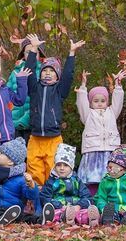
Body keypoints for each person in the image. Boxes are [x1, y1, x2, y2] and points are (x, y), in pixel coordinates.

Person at [23, 34, 84, 186]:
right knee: (34, 169)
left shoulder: (59, 91)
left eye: (52, 71)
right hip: (35, 138)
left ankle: (51, 201)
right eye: (45, 70)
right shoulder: (34, 88)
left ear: (57, 76)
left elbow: (68, 76)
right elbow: (28, 71)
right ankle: (35, 201)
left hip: (53, 138)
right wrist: (34, 49)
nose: (48, 73)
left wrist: (71, 54)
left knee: (53, 170)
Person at [75, 69, 126, 196]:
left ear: (107, 102)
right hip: (93, 151)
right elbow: (81, 103)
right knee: (93, 178)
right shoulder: (88, 114)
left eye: (102, 101)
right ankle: (92, 200)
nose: (99, 103)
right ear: (90, 102)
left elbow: (118, 100)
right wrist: (83, 86)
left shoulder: (112, 112)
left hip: (110, 151)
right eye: (95, 101)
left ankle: (109, 201)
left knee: (110, 178)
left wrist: (118, 85)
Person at [0, 137, 41, 224]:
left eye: (1, 153)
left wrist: (31, 185)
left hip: (14, 211)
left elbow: (31, 196)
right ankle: (1, 217)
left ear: (10, 162)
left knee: (24, 217)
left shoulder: (21, 178)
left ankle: (38, 220)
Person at [40, 143, 99, 226]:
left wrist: (79, 205)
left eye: (66, 165)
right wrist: (59, 206)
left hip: (76, 208)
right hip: (60, 208)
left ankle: (91, 219)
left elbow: (87, 196)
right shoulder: (51, 181)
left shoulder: (77, 181)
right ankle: (64, 218)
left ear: (71, 167)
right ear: (54, 166)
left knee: (85, 212)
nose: (62, 168)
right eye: (58, 165)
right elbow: (45, 197)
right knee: (55, 213)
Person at [95, 145, 126, 225]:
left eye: (115, 169)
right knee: (111, 213)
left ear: (125, 170)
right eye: (109, 167)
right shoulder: (105, 182)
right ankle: (110, 219)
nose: (112, 171)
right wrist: (103, 208)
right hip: (112, 209)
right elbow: (100, 198)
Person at [6, 38, 43, 143]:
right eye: (28, 51)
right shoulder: (15, 72)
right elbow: (7, 95)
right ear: (23, 54)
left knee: (30, 157)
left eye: (35, 51)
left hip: (32, 124)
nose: (32, 53)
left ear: (39, 54)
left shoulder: (43, 72)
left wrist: (25, 119)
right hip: (14, 124)